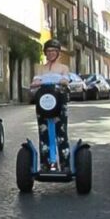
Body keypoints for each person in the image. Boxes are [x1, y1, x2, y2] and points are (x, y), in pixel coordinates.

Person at [31, 39, 71, 170]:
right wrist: (47, 81)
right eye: (48, 51)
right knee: (44, 132)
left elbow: (65, 80)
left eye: (54, 51)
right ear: (45, 53)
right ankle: (46, 164)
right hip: (43, 102)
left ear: (58, 53)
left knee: (61, 132)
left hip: (59, 102)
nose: (51, 53)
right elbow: (34, 83)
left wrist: (47, 81)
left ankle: (65, 164)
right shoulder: (40, 68)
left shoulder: (63, 67)